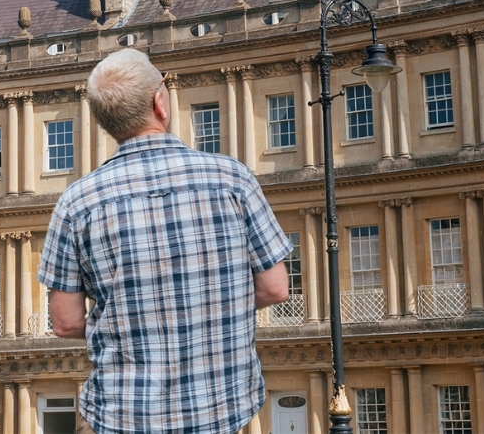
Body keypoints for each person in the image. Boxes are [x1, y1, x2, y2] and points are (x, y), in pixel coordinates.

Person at [37, 49, 294, 434]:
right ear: (160, 102)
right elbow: (274, 288)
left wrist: (134, 314)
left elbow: (65, 322)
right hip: (221, 410)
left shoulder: (77, 202)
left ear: (104, 121)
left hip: (123, 414)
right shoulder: (233, 180)